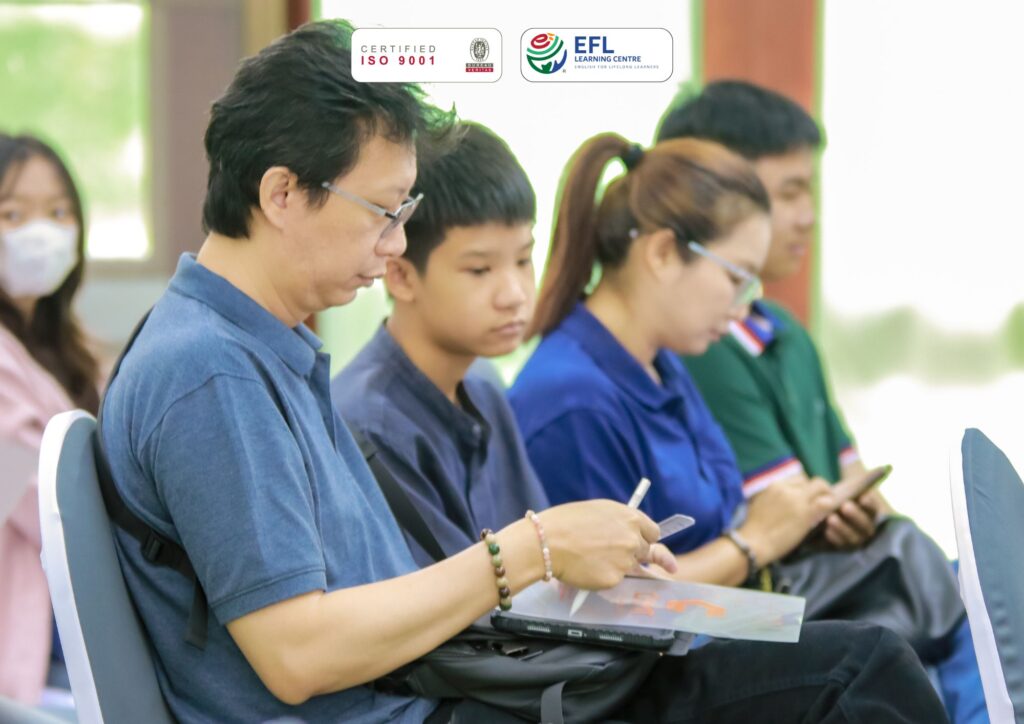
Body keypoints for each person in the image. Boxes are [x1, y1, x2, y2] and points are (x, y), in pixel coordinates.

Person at [99, 22, 947, 722]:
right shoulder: (212, 369)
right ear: (281, 194)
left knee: (848, 658)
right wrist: (529, 550)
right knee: (853, 673)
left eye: (404, 213)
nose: (395, 244)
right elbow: (298, 655)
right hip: (417, 711)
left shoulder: (257, 347)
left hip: (440, 694)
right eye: (382, 213)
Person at [332, 120, 949, 722]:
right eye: (480, 270)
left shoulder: (486, 387)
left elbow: (553, 573)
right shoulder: (376, 423)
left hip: (598, 657)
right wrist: (738, 549)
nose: (515, 293)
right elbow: (451, 628)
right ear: (400, 271)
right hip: (549, 688)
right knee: (863, 661)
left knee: (889, 633)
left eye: (523, 260)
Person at [656, 79, 986, 723]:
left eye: (809, 190)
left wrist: (851, 509)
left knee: (975, 597)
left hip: (816, 583)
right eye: (787, 193)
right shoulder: (704, 346)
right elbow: (787, 515)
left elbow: (850, 488)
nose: (807, 214)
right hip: (766, 607)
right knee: (968, 621)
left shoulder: (784, 330)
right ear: (715, 195)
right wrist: (830, 510)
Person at [0, 134, 99, 703]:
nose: (40, 232)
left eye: (59, 212)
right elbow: (37, 503)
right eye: (13, 214)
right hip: (28, 635)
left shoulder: (67, 346)